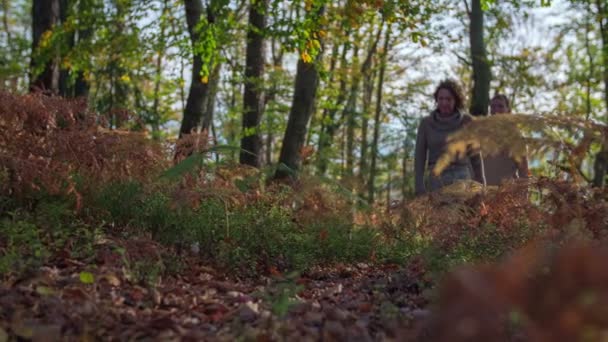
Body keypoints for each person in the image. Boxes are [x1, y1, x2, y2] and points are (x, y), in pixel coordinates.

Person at [414, 79, 481, 195]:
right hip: (436, 180)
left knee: (461, 212)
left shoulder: (467, 121)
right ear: (436, 100)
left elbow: (476, 157)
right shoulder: (426, 124)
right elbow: (419, 157)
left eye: (448, 99)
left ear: (456, 100)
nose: (444, 103)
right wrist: (419, 185)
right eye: (441, 99)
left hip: (462, 179)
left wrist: (481, 184)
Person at [482, 94, 529, 186]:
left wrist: (524, 197)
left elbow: (523, 172)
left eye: (500, 106)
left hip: (506, 194)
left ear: (508, 111)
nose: (496, 110)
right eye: (493, 106)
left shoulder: (516, 137)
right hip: (483, 193)